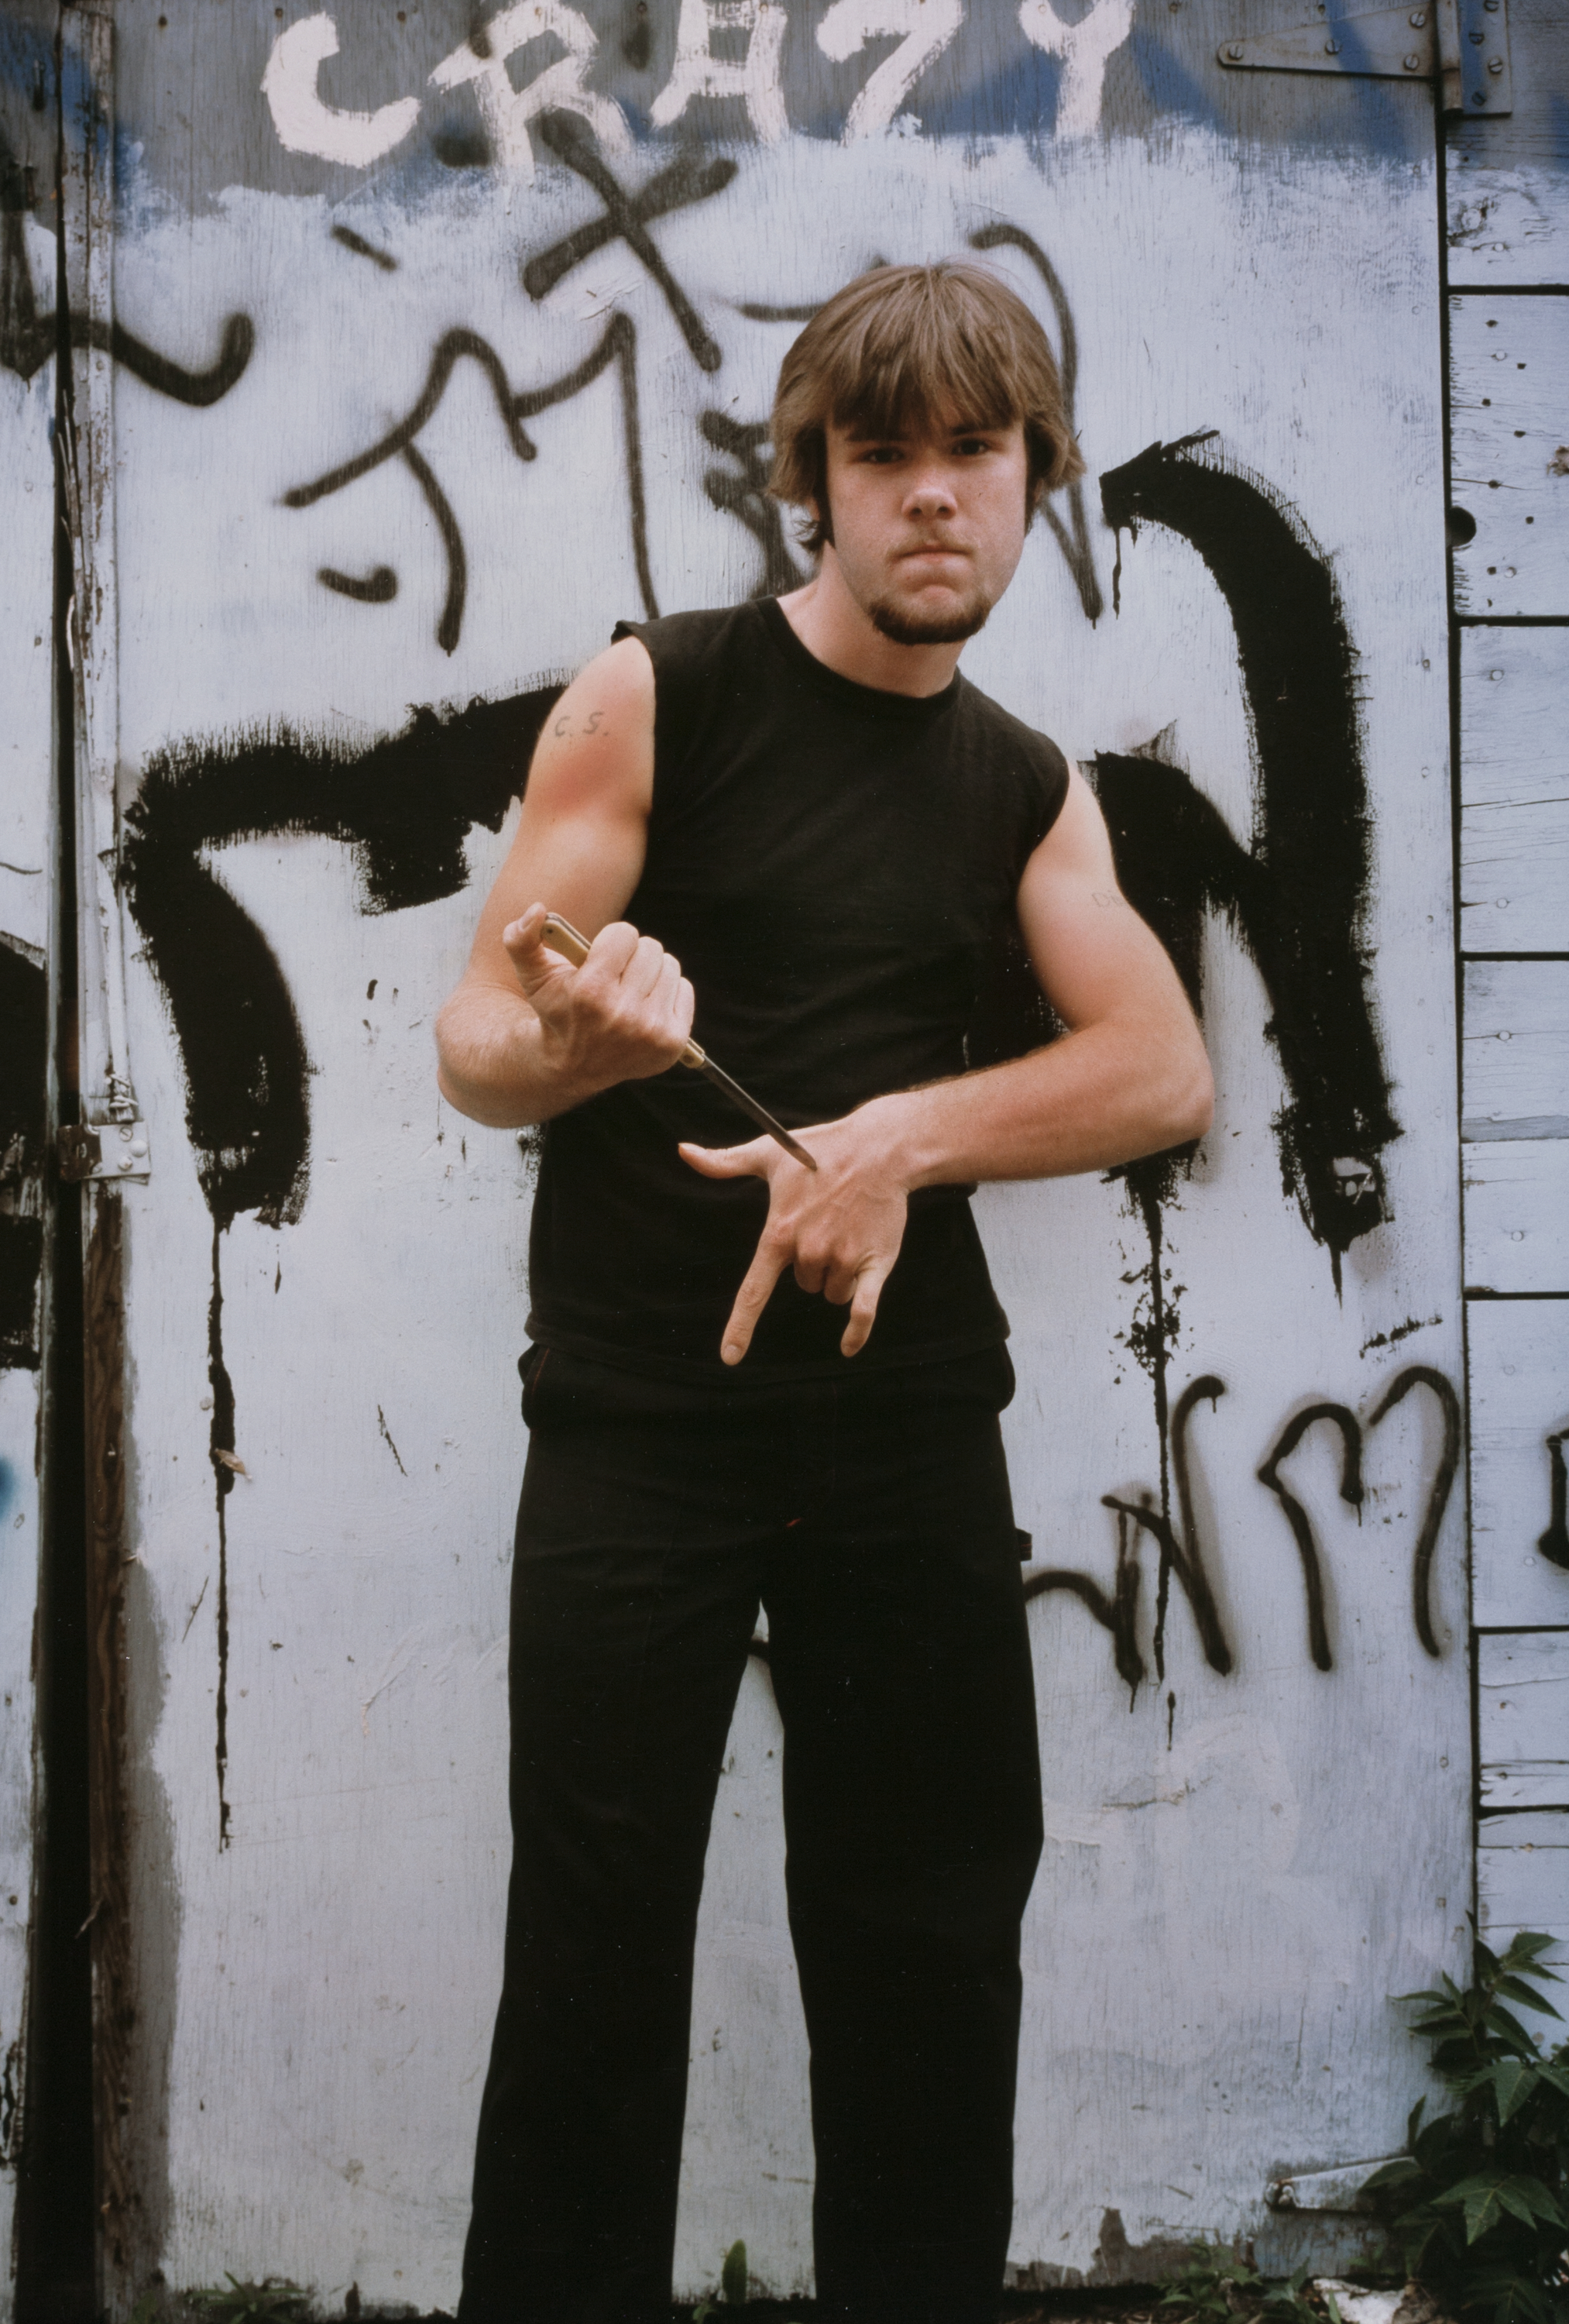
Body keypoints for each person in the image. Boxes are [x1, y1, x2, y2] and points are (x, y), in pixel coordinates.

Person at [434, 261, 1212, 2324]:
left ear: (1034, 482)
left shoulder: (1027, 782)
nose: (935, 498)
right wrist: (582, 1046)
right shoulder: (654, 694)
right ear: (816, 484)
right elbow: (473, 1043)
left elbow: (1163, 1067)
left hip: (903, 1428)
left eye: (979, 452)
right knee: (595, 1958)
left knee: (931, 1952)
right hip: (637, 1426)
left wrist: (900, 1141)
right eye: (885, 456)